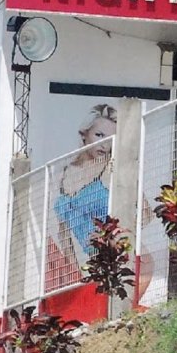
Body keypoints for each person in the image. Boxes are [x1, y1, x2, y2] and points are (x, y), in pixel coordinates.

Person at [48, 104, 117, 290]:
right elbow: (64, 232)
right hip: (91, 264)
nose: (104, 144)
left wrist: (111, 237)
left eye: (111, 139)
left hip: (121, 260)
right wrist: (75, 273)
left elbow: (146, 214)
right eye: (99, 135)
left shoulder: (111, 168)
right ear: (84, 135)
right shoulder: (64, 172)